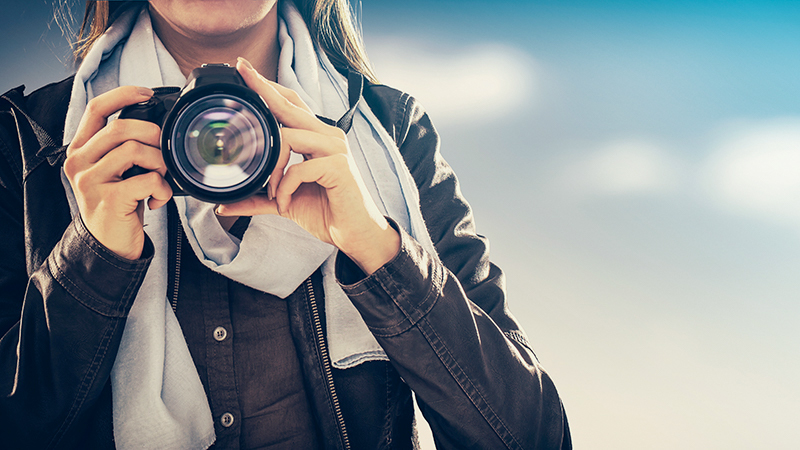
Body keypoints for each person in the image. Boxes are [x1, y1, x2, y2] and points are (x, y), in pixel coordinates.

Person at [0, 0, 571, 448]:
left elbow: (531, 436)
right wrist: (90, 258)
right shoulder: (30, 141)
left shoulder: (388, 134)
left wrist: (378, 248)